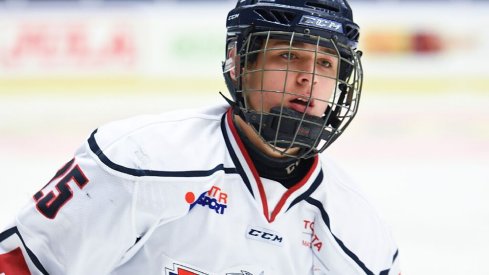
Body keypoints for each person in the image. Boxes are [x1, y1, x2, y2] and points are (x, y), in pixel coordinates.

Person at [0, 0, 400, 274]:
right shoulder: (141, 160)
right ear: (239, 65)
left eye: (327, 63)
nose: (308, 79)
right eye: (288, 55)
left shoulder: (360, 232)